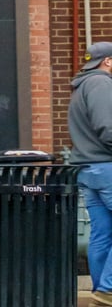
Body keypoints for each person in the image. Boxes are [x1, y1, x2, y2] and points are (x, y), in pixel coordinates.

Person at [69, 41, 112, 306]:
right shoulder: (102, 84)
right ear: (108, 61)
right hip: (107, 167)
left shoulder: (81, 86)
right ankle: (108, 289)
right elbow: (108, 127)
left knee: (102, 234)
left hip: (87, 169)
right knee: (102, 233)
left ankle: (102, 290)